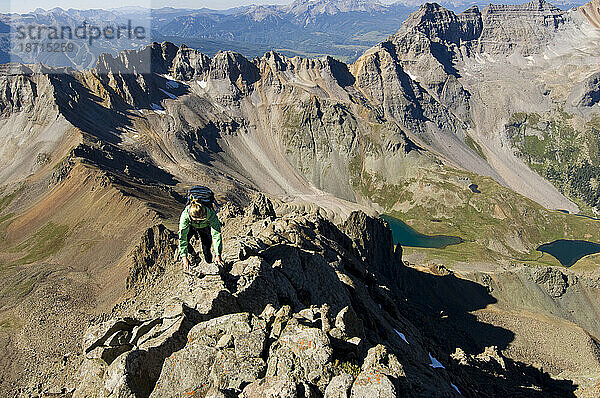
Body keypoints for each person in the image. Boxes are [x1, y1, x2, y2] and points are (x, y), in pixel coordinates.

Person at [178, 199, 224, 272]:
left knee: (206, 248)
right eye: (196, 220)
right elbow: (182, 238)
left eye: (200, 219)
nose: (198, 221)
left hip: (205, 227)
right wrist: (184, 257)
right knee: (185, 242)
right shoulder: (185, 216)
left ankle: (210, 263)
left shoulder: (211, 215)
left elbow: (216, 235)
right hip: (191, 226)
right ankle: (195, 256)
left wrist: (218, 254)